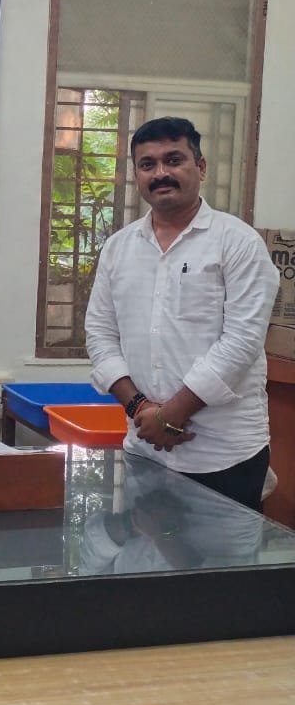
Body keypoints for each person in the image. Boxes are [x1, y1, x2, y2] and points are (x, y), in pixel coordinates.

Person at [85, 116, 279, 511]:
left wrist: (171, 415)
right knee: (146, 549)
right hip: (146, 448)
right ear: (137, 175)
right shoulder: (119, 248)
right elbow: (100, 334)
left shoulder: (238, 242)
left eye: (174, 160)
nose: (160, 173)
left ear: (200, 167)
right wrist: (140, 409)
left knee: (227, 553)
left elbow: (241, 343)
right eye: (147, 164)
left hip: (224, 454)